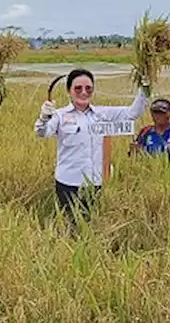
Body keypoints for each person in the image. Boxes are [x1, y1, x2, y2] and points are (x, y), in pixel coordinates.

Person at [35, 69, 148, 225]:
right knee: (70, 225)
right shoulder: (60, 115)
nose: (83, 92)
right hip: (68, 183)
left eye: (88, 88)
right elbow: (43, 132)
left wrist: (144, 89)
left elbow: (132, 113)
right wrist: (44, 117)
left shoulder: (102, 114)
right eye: (78, 88)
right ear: (69, 91)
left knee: (93, 224)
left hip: (95, 183)